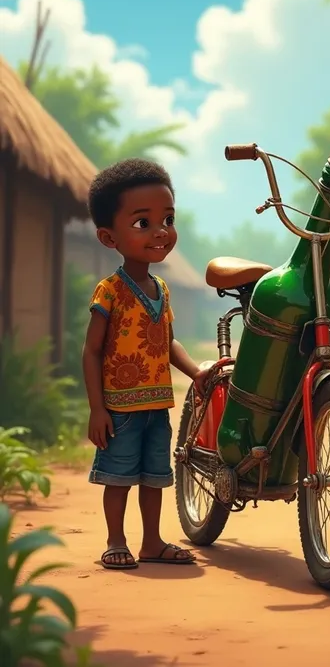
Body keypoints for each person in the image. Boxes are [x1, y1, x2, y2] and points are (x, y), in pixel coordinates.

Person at [82, 158, 211, 570]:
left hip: (158, 406)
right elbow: (92, 351)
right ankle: (115, 540)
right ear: (108, 237)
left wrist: (195, 372)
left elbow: (167, 342)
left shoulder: (162, 289)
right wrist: (97, 408)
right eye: (143, 223)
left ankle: (151, 542)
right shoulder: (110, 292)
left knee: (154, 477)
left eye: (167, 219)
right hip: (120, 408)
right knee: (119, 478)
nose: (160, 232)